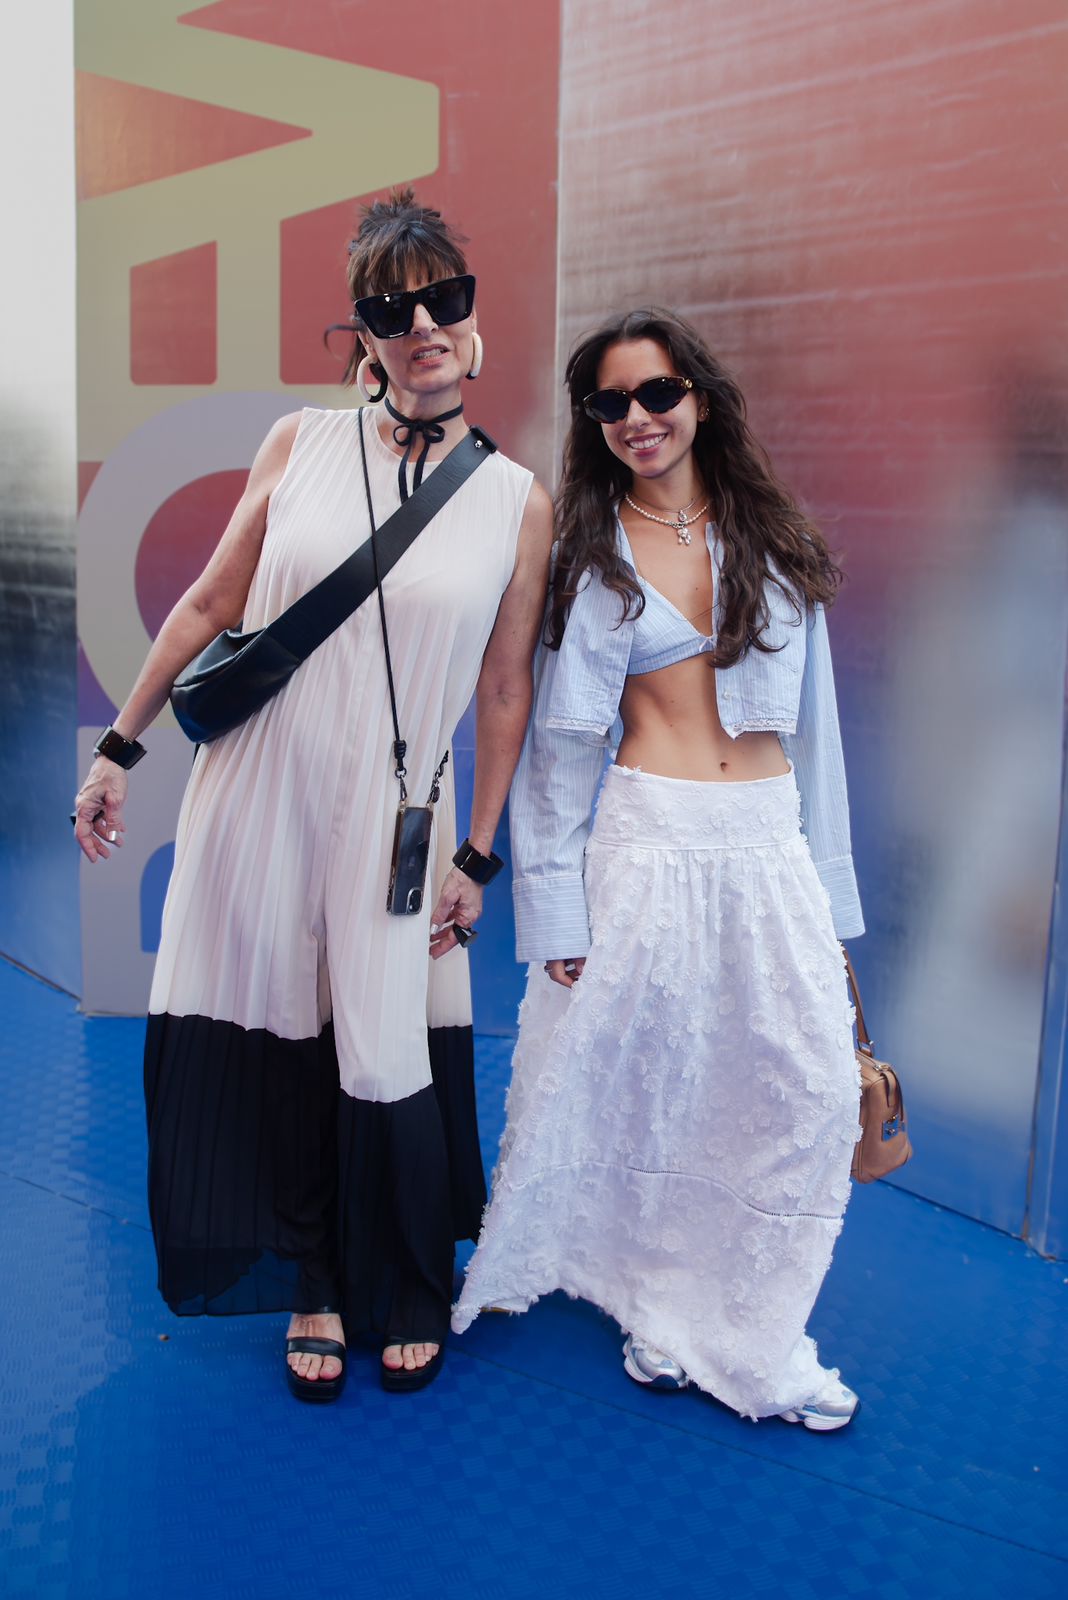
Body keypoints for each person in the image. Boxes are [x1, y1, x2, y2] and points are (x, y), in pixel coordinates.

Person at [72, 190, 552, 1400]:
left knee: (382, 1036)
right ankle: (316, 1281)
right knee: (282, 1021)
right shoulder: (298, 443)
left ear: (474, 315)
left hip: (398, 810)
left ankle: (394, 1276)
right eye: (395, 309)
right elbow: (207, 603)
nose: (424, 326)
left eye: (444, 299)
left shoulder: (515, 498)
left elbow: (503, 691)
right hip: (259, 793)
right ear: (365, 333)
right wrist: (120, 749)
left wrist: (479, 854)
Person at [453, 308, 865, 1430]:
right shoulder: (592, 553)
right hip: (647, 842)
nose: (638, 418)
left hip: (765, 844)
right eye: (610, 403)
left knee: (807, 1090)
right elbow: (558, 748)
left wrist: (827, 899)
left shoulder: (772, 535)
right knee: (657, 1088)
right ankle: (657, 1304)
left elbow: (817, 733)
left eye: (657, 393)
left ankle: (749, 1321)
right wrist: (554, 908)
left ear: (700, 396)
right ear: (593, 422)